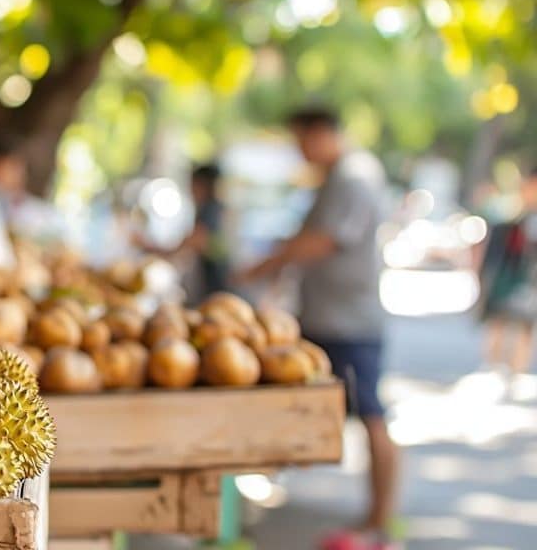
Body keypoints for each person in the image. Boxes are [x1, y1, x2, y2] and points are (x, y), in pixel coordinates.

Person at [238, 107, 399, 550]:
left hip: (350, 322)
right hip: (325, 317)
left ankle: (380, 520)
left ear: (322, 134)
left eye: (300, 140)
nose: (299, 151)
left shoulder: (354, 175)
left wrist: (267, 265)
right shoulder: (334, 178)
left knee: (372, 417)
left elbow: (324, 240)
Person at [137, 162, 230, 304]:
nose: (190, 189)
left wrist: (155, 249)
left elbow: (194, 241)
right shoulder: (212, 209)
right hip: (213, 282)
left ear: (202, 184)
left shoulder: (211, 210)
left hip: (216, 284)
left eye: (193, 183)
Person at [478, 170, 537, 382]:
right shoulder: (510, 214)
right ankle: (492, 367)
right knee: (498, 321)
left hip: (529, 279)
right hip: (506, 276)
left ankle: (516, 371)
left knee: (524, 326)